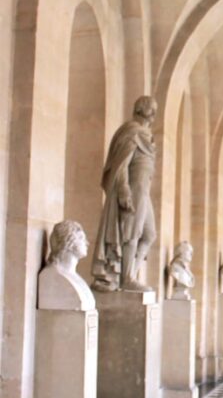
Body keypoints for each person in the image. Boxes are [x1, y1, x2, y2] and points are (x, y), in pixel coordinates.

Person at [91, 96, 157, 293]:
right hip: (133, 188)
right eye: (151, 110)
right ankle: (127, 278)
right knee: (131, 232)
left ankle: (129, 275)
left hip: (144, 190)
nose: (154, 115)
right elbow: (121, 166)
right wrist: (123, 190)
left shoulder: (145, 135)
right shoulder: (132, 133)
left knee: (149, 234)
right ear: (142, 110)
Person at [39, 219, 95, 311]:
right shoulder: (52, 275)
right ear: (68, 241)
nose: (87, 243)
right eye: (81, 238)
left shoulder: (74, 276)